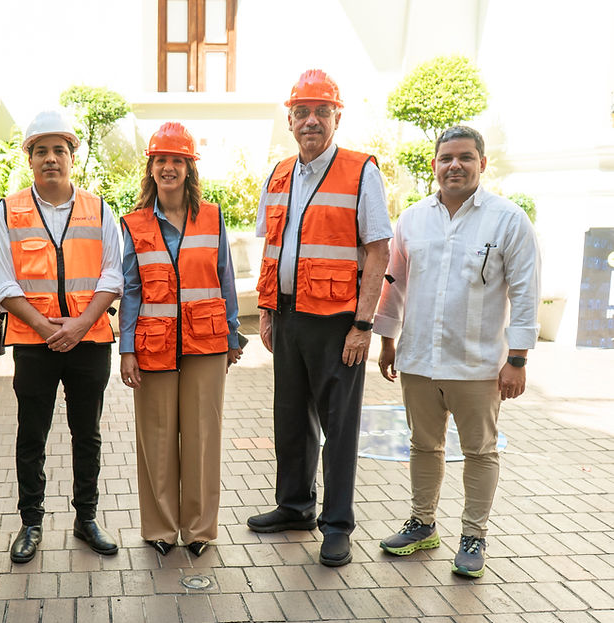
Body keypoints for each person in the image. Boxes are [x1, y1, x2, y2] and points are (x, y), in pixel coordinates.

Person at [375, 125, 540, 578]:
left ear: (482, 164)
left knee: (480, 451)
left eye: (466, 157)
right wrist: (387, 339)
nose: (455, 165)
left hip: (479, 364)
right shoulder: (411, 219)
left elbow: (526, 292)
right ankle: (422, 523)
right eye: (446, 157)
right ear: (434, 164)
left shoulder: (508, 220)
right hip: (419, 360)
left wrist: (518, 358)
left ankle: (473, 535)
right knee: (423, 446)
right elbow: (394, 283)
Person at [247, 70, 392, 567]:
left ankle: (337, 525)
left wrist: (364, 325)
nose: (311, 120)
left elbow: (378, 251)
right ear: (289, 119)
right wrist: (267, 310)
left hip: (337, 324)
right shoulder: (278, 173)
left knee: (339, 425)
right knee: (290, 418)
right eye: (302, 112)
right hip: (287, 317)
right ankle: (294, 506)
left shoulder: (360, 170)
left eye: (321, 112)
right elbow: (272, 246)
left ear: (336, 117)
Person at [0, 110, 123, 563]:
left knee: (87, 433)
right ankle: (31, 522)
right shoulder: (8, 210)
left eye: (59, 150)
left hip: (91, 341)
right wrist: (47, 328)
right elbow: (1, 283)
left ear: (72, 157)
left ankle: (86, 519)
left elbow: (112, 275)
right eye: (41, 150)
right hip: (34, 343)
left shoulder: (99, 208)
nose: (51, 159)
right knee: (32, 433)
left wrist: (81, 325)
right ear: (29, 158)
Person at [119, 122, 242, 558]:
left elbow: (225, 277)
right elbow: (131, 289)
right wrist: (127, 349)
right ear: (150, 169)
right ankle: (160, 528)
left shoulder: (212, 216)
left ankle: (200, 530)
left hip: (206, 343)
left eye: (178, 160)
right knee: (156, 437)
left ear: (190, 169)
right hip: (153, 343)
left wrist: (232, 335)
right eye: (161, 160)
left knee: (202, 436)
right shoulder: (132, 224)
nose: (169, 167)